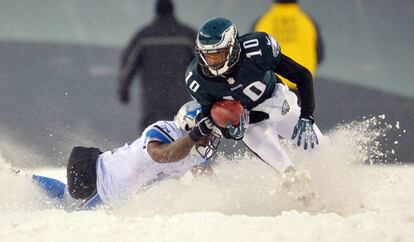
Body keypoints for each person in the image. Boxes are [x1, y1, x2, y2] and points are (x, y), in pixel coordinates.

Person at [184, 17, 324, 174]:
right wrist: (230, 132)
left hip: (279, 102)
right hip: (250, 124)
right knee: (287, 172)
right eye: (208, 55)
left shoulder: (258, 49)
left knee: (321, 152)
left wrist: (306, 116)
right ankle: (304, 194)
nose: (213, 61)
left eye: (219, 54)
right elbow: (212, 117)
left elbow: (303, 76)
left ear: (233, 48)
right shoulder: (197, 79)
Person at [33, 101, 218, 210]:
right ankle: (18, 180)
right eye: (205, 134)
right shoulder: (166, 130)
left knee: (67, 200)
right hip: (93, 174)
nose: (207, 140)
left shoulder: (196, 152)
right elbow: (162, 155)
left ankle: (20, 180)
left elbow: (211, 185)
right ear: (189, 127)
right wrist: (195, 136)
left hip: (109, 185)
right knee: (70, 207)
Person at [118, 0, 197, 131]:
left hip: (152, 103)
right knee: (181, 136)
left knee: (151, 140)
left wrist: (123, 90)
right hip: (179, 100)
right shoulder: (187, 35)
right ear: (173, 10)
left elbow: (128, 65)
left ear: (156, 11)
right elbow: (205, 62)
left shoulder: (144, 36)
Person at [252, 0, 324, 93]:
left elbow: (251, 55)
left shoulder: (262, 21)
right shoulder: (308, 22)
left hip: (269, 86)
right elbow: (319, 55)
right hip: (300, 85)